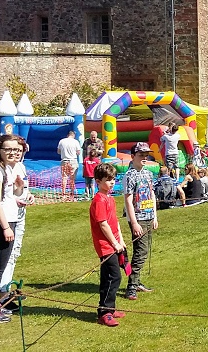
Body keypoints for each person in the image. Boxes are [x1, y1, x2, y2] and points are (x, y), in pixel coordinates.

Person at [0, 134, 27, 323]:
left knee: (1, 267)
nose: (13, 153)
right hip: (1, 224)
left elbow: (9, 197)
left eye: (16, 149)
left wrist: (19, 187)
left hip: (10, 220)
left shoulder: (7, 169)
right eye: (8, 149)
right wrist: (6, 227)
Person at [89, 162, 127, 327]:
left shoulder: (109, 197)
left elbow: (114, 221)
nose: (112, 182)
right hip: (105, 245)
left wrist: (121, 240)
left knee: (110, 277)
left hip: (115, 243)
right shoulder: (99, 200)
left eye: (113, 179)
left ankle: (109, 309)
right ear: (98, 181)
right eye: (108, 179)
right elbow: (103, 224)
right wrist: (114, 243)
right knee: (113, 277)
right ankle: (105, 312)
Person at [0, 139, 33, 311]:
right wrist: (17, 198)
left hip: (19, 214)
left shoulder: (20, 166)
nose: (18, 153)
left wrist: (28, 194)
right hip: (7, 217)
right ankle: (2, 296)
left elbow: (21, 188)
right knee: (7, 255)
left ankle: (6, 292)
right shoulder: (1, 170)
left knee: (15, 253)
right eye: (14, 149)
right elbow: (1, 198)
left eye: (21, 150)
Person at [124, 142, 158, 301]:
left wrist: (155, 216)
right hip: (138, 219)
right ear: (133, 157)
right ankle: (131, 286)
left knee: (144, 251)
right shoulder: (129, 175)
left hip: (149, 216)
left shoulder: (148, 174)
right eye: (141, 155)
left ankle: (137, 282)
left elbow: (152, 195)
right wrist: (134, 222)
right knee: (140, 252)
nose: (144, 158)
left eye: (146, 155)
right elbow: (128, 201)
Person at [57, 130, 81, 200]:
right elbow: (78, 152)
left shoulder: (62, 141)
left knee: (64, 177)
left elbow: (58, 151)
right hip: (73, 160)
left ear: (68, 135)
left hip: (64, 160)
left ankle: (63, 193)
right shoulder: (75, 142)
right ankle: (72, 193)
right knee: (72, 178)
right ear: (73, 135)